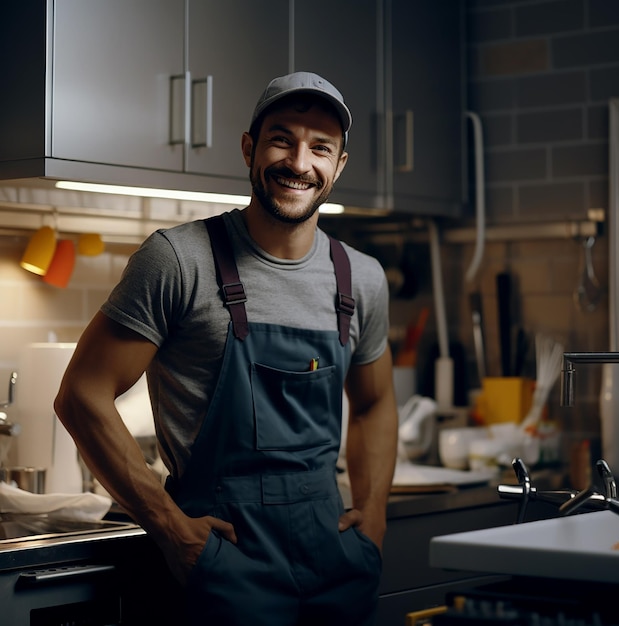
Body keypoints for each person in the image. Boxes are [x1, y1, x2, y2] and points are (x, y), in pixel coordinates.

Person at [54, 71, 398, 626]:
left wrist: (375, 513)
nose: (299, 162)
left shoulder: (361, 278)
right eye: (282, 139)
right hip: (222, 565)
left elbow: (377, 402)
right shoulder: (178, 260)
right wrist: (168, 527)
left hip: (336, 564)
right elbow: (81, 397)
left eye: (321, 148)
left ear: (339, 166)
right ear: (249, 148)